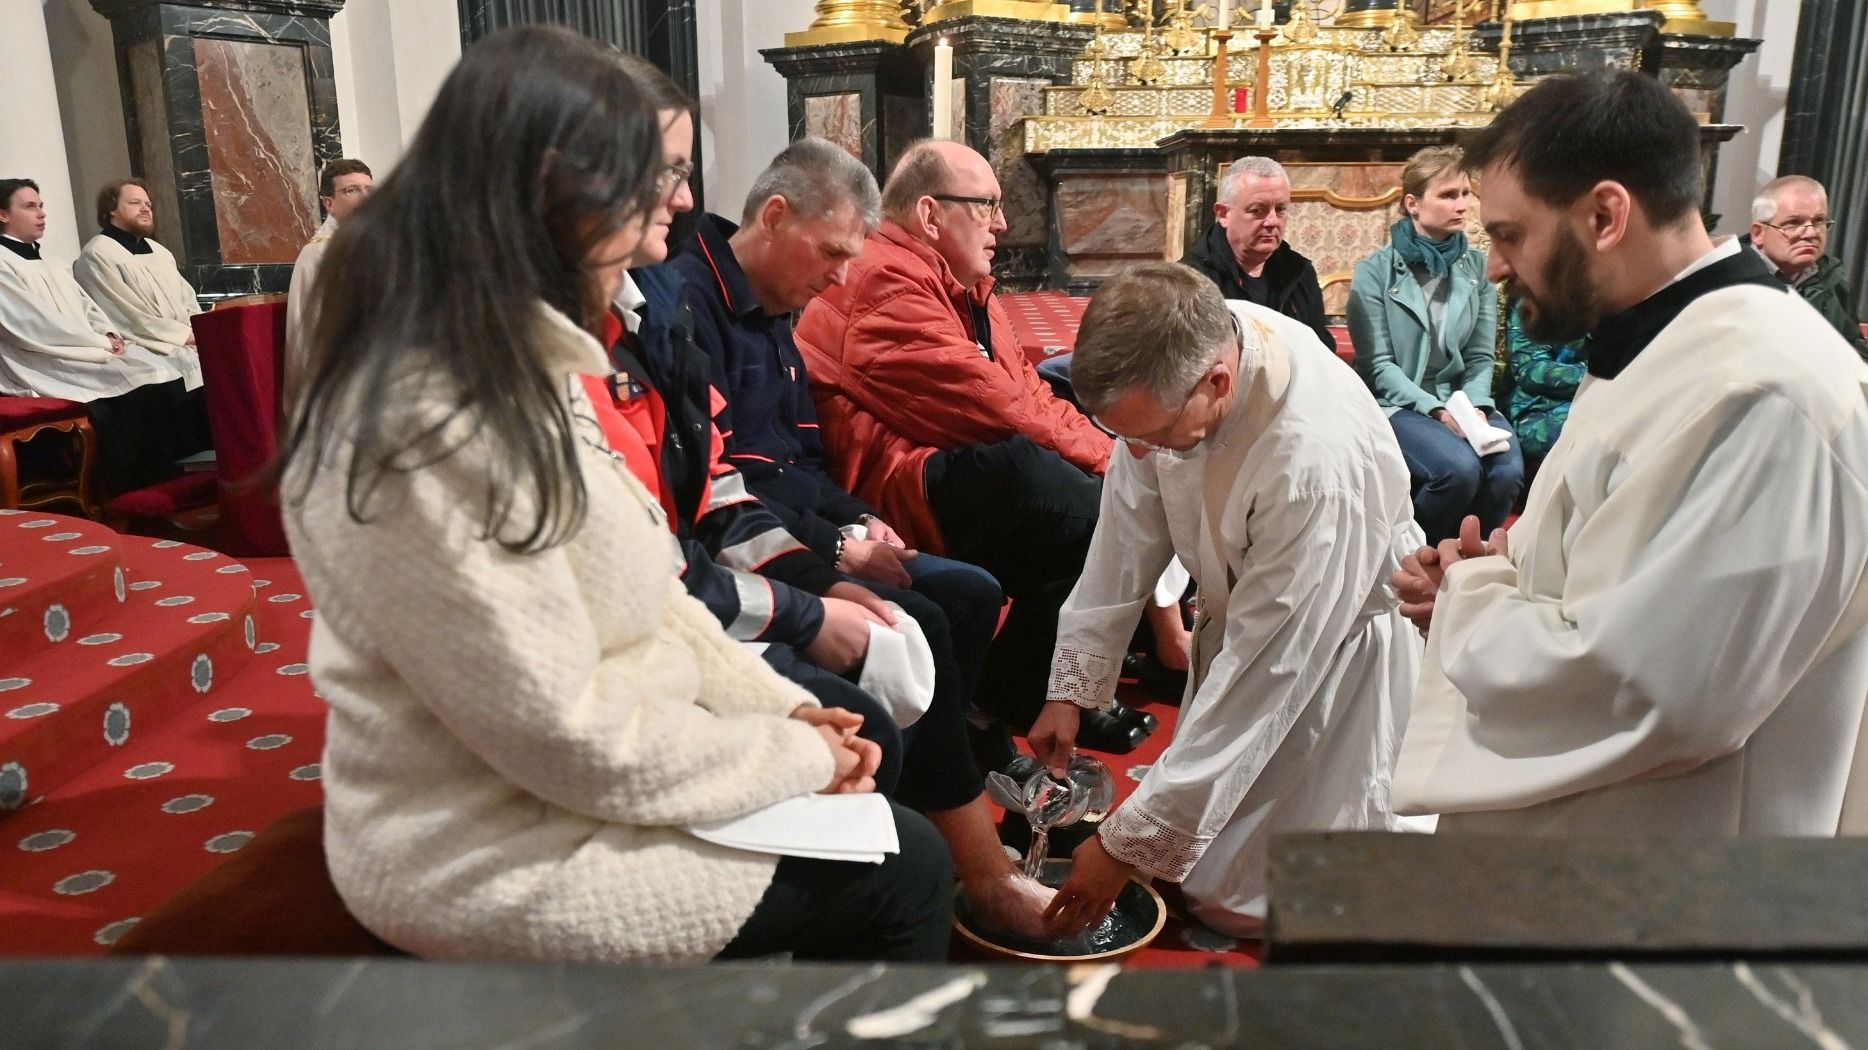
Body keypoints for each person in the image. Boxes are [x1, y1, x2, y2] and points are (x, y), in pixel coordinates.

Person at [278, 26, 953, 965]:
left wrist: (780, 712)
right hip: (483, 839)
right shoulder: (417, 421)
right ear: (553, 191)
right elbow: (558, 728)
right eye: (649, 186)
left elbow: (651, 599)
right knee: (904, 867)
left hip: (568, 778)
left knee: (873, 802)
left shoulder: (527, 364)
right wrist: (790, 755)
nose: (662, 220)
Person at [604, 72, 1054, 937]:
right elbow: (658, 559)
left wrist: (839, 551)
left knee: (944, 604)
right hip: (650, 671)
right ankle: (952, 845)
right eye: (666, 173)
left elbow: (734, 487)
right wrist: (818, 593)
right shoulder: (669, 308)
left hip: (728, 579)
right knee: (892, 683)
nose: (689, 199)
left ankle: (959, 803)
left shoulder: (661, 317)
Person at [1391, 70, 1868, 839]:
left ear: (1606, 215)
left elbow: (1653, 691)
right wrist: (1498, 567)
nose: (1497, 267)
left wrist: (1468, 607)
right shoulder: (1671, 344)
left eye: (1511, 234)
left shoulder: (1757, 389)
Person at [1028, 264, 1423, 937]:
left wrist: (1124, 847)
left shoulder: (1313, 465)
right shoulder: (1183, 346)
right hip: (1249, 628)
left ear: (1218, 382)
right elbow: (1125, 531)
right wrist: (1073, 686)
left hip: (1329, 650)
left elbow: (1271, 668)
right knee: (1209, 866)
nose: (1142, 452)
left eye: (1152, 435)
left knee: (1277, 896)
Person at [796, 139, 1175, 763]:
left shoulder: (964, 284)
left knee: (1088, 506)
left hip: (940, 465)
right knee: (1062, 488)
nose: (1002, 222)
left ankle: (996, 699)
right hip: (886, 488)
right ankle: (1010, 696)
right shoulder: (884, 277)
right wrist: (1119, 466)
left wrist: (1117, 459)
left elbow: (1021, 392)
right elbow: (997, 411)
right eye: (987, 205)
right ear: (930, 215)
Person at [1347, 145, 1524, 544]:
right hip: (1398, 403)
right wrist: (1438, 411)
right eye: (1447, 195)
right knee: (1457, 470)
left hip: (1462, 400)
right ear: (1413, 203)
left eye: (1464, 193)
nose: (1462, 205)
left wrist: (1475, 407)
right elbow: (1379, 366)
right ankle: (1409, 558)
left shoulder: (1476, 267)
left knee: (1506, 470)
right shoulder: (1374, 272)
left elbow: (1481, 356)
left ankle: (1465, 567)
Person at [0, 178, 208, 494]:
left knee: (159, 372)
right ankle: (125, 488)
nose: (41, 213)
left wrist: (106, 332)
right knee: (145, 379)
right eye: (30, 207)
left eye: (41, 206)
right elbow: (34, 326)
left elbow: (87, 307)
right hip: (40, 360)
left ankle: (172, 478)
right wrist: (100, 342)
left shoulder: (50, 262)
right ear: (3, 214)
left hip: (81, 349)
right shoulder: (3, 264)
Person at [1179, 155, 1334, 351]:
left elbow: (1321, 351)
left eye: (1280, 209)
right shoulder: (1191, 281)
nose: (1272, 221)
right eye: (1257, 210)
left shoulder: (1300, 272)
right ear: (1223, 214)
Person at [73, 178, 204, 382]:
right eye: (135, 203)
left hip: (186, 339)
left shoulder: (160, 252)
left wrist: (199, 330)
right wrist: (184, 336)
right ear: (111, 210)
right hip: (143, 343)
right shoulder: (98, 253)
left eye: (148, 205)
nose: (145, 209)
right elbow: (126, 314)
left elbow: (187, 299)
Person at [1744, 175, 1867, 361]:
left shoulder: (1833, 280)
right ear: (1758, 233)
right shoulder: (1728, 280)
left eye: (1819, 221)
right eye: (1794, 223)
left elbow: (1854, 352)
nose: (1811, 233)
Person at [286, 158, 373, 385]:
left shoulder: (378, 246)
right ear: (329, 203)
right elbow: (305, 333)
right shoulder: (318, 255)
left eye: (369, 188)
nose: (366, 197)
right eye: (351, 190)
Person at [1501, 297, 1584, 464]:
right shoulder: (1532, 297)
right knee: (1590, 437)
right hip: (1537, 407)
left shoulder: (1610, 295)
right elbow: (1530, 369)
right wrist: (1595, 375)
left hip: (1594, 400)